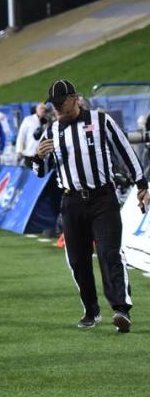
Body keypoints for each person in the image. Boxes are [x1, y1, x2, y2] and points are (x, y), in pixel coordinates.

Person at [34, 79, 150, 332]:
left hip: (102, 199)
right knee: (77, 259)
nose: (56, 108)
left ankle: (121, 309)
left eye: (60, 102)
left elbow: (125, 150)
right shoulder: (52, 130)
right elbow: (38, 171)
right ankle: (91, 309)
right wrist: (38, 156)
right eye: (53, 104)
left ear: (74, 98)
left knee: (110, 253)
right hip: (71, 200)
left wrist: (142, 183)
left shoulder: (100, 121)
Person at [16, 102, 48, 168]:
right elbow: (21, 135)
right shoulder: (28, 120)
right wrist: (19, 150)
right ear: (36, 109)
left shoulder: (48, 122)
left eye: (44, 109)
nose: (43, 110)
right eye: (41, 108)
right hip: (30, 154)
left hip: (44, 155)